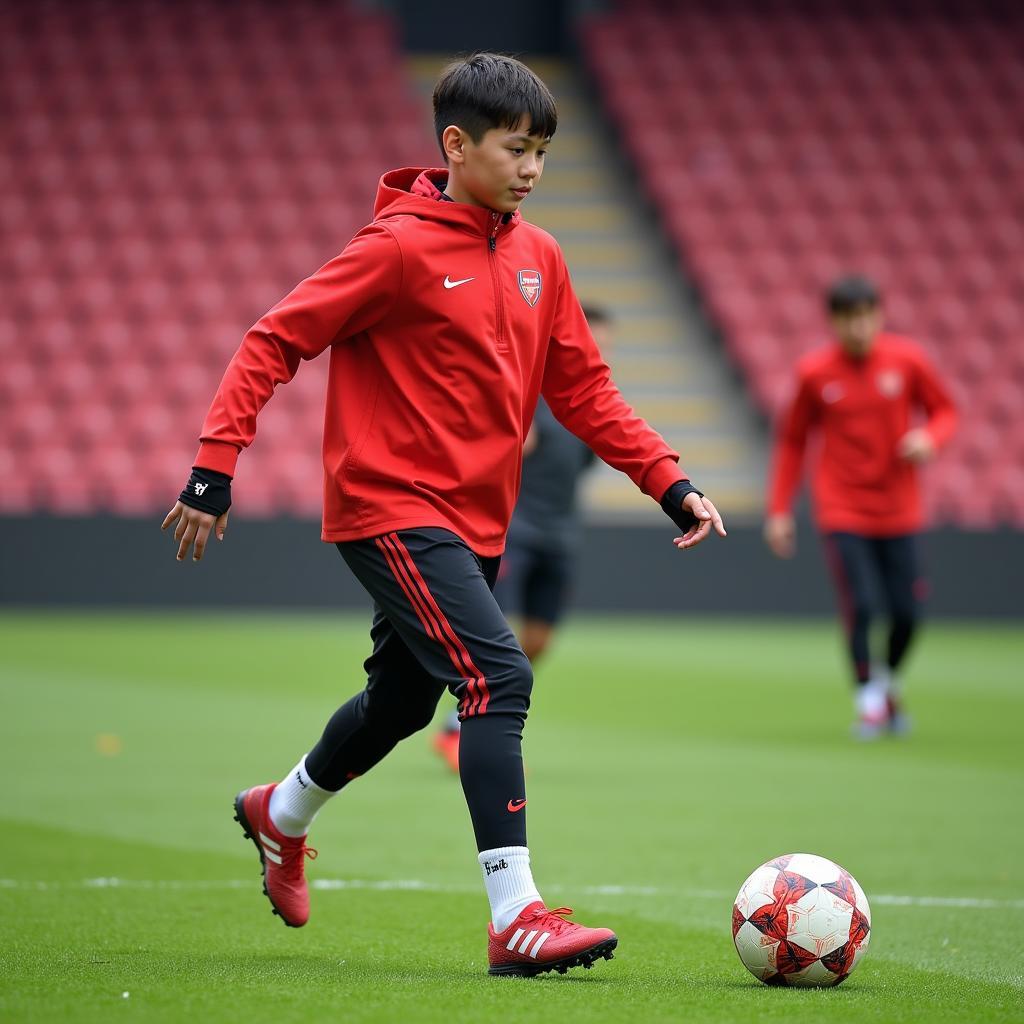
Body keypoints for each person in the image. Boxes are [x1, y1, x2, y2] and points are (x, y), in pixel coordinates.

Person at [162, 53, 725, 977]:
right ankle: (517, 916)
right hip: (389, 505)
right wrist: (214, 467)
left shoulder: (542, 256)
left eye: (544, 150)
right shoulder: (394, 247)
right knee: (498, 679)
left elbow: (583, 391)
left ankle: (280, 812)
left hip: (475, 523)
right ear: (456, 146)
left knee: (398, 701)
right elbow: (275, 338)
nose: (533, 169)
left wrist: (666, 478)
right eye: (517, 149)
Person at [764, 275, 956, 739]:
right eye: (849, 318)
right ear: (833, 322)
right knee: (863, 602)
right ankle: (869, 699)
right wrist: (780, 509)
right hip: (842, 506)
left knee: (908, 612)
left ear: (880, 315)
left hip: (900, 508)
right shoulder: (815, 372)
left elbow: (945, 410)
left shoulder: (907, 360)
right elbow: (792, 441)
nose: (859, 327)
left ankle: (888, 682)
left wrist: (929, 438)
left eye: (867, 316)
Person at [433, 305, 611, 772]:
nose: (602, 348)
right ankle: (464, 725)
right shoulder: (531, 391)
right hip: (516, 529)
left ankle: (461, 716)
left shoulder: (593, 401)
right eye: (596, 338)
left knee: (539, 639)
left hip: (562, 533)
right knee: (500, 637)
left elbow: (585, 463)